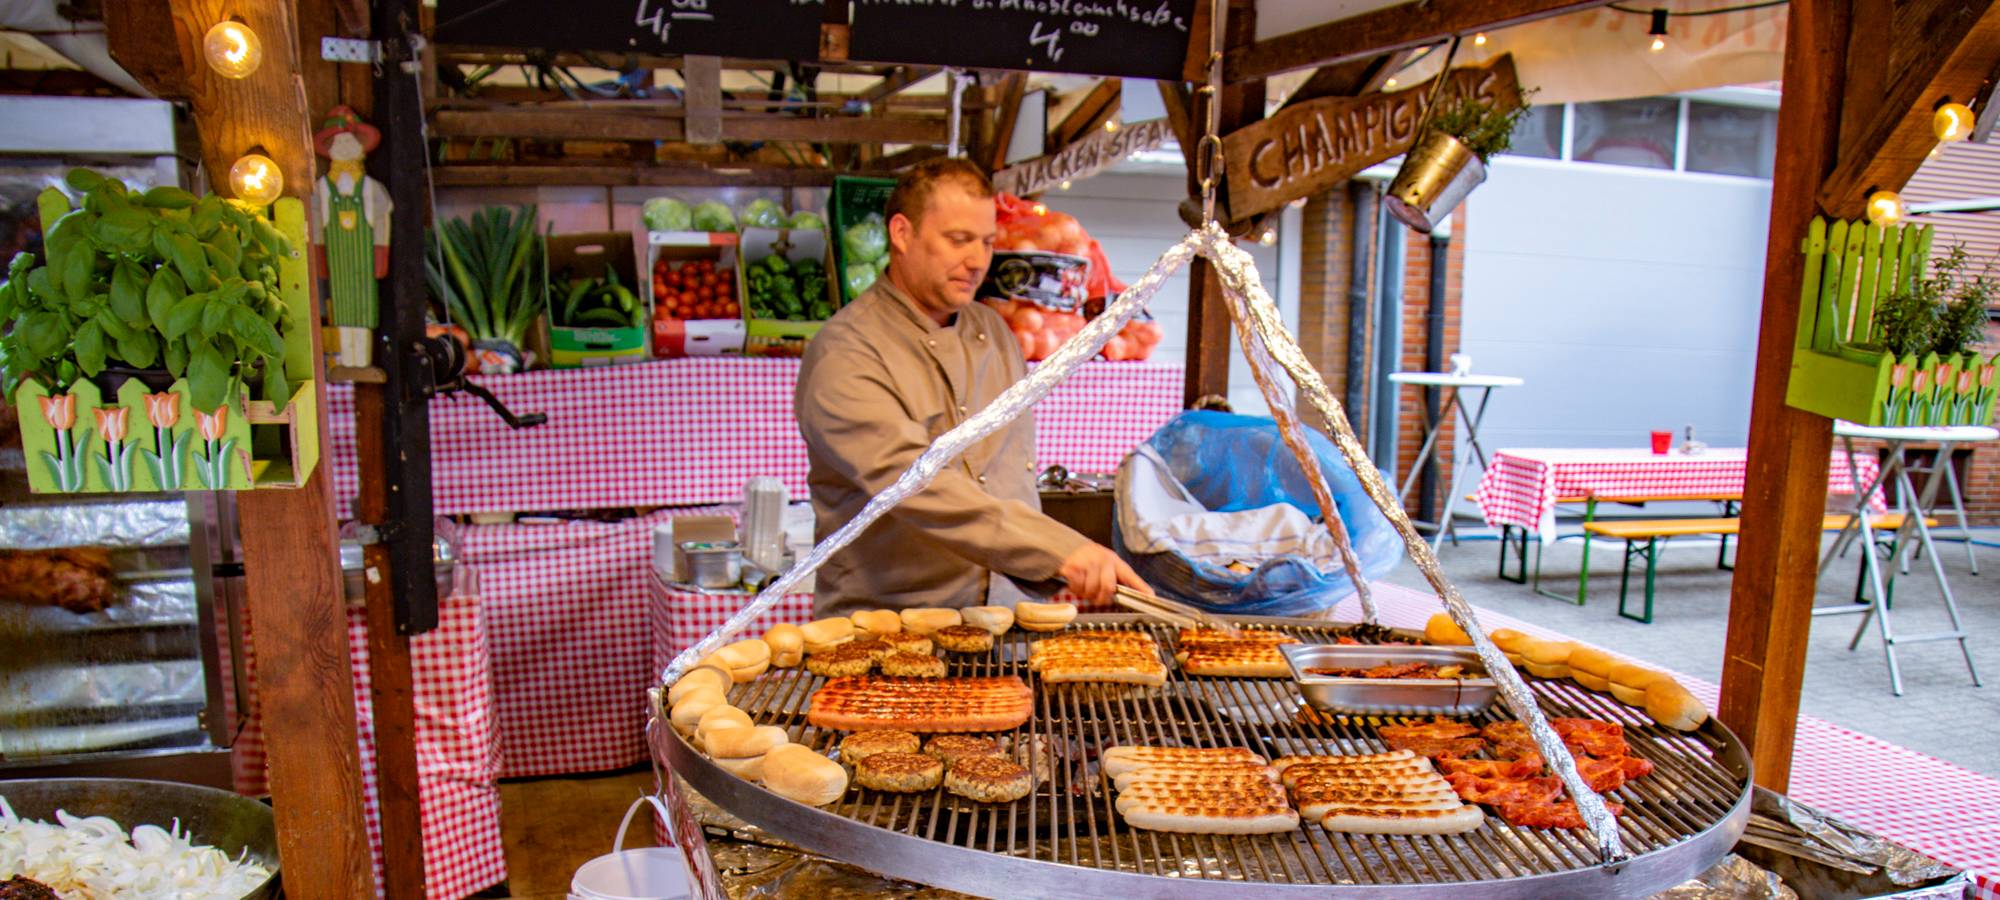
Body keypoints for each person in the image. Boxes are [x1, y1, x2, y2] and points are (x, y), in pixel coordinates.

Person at [795, 158, 1149, 616]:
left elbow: (1005, 473)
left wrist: (1054, 555)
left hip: (1005, 619)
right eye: (958, 240)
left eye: (986, 242)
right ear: (902, 234)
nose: (977, 260)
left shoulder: (994, 332)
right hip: (893, 627)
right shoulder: (846, 352)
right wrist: (1056, 548)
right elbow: (912, 484)